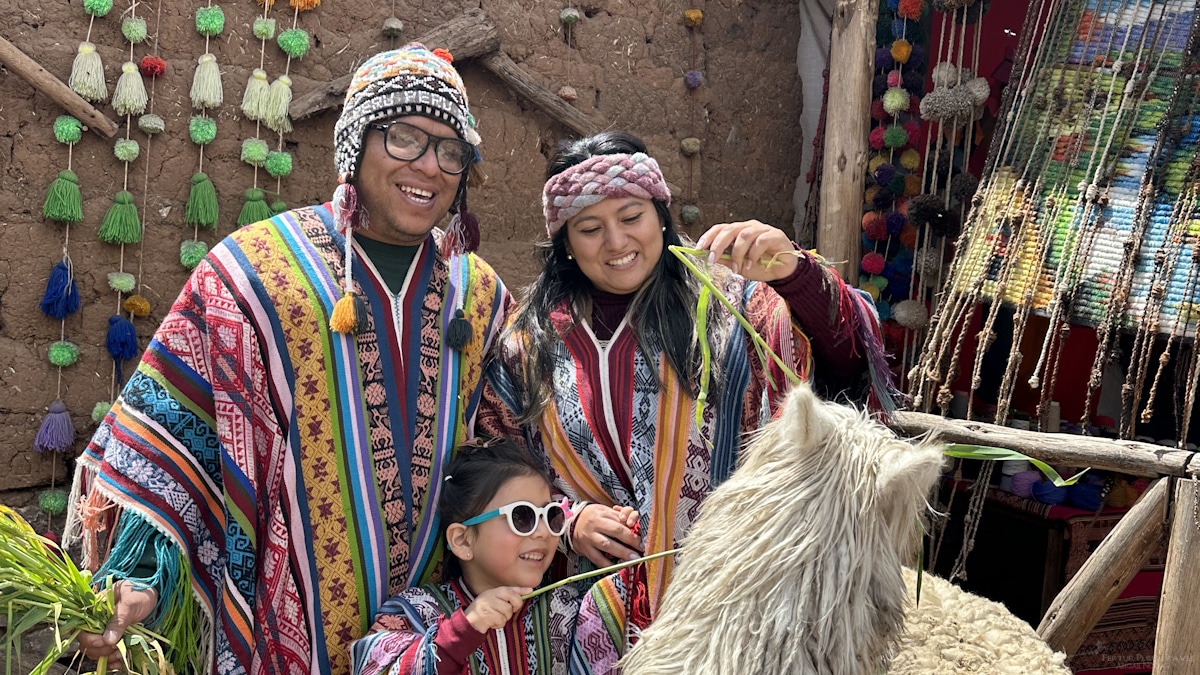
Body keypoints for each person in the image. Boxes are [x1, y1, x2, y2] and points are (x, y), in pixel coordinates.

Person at [65, 44, 509, 675]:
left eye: (450, 150)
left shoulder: (482, 294)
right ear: (356, 145)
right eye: (405, 136)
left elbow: (518, 443)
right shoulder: (250, 275)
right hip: (285, 627)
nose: (430, 166)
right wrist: (141, 578)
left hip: (439, 634)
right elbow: (175, 439)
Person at [476, 131, 896, 660]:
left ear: (660, 215)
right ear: (564, 243)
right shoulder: (529, 344)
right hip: (582, 618)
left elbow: (847, 365)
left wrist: (794, 273)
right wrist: (566, 519)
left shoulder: (732, 304)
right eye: (589, 228)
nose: (616, 242)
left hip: (731, 605)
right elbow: (495, 460)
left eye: (632, 217)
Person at [351, 439, 625, 675]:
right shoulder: (418, 612)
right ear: (462, 540)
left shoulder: (564, 609)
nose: (543, 532)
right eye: (523, 516)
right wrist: (463, 629)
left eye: (551, 515)